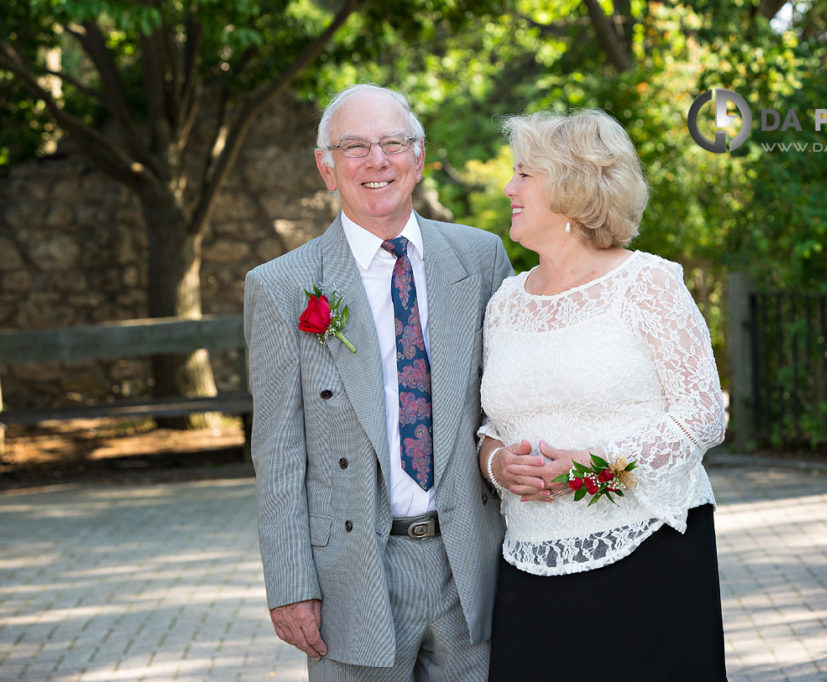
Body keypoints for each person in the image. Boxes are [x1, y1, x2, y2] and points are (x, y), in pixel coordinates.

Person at [244, 84, 513, 681]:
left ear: (418, 157)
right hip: (353, 574)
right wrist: (290, 583)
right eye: (354, 146)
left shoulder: (482, 258)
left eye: (393, 142)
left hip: (471, 563)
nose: (377, 161)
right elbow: (280, 452)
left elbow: (513, 402)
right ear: (326, 166)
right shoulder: (283, 286)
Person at [477, 109, 728, 681]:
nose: (509, 188)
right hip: (529, 563)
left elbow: (702, 416)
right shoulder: (505, 300)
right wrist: (496, 464)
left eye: (523, 174)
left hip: (649, 559)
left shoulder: (648, 284)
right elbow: (492, 423)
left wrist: (594, 471)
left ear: (571, 186)